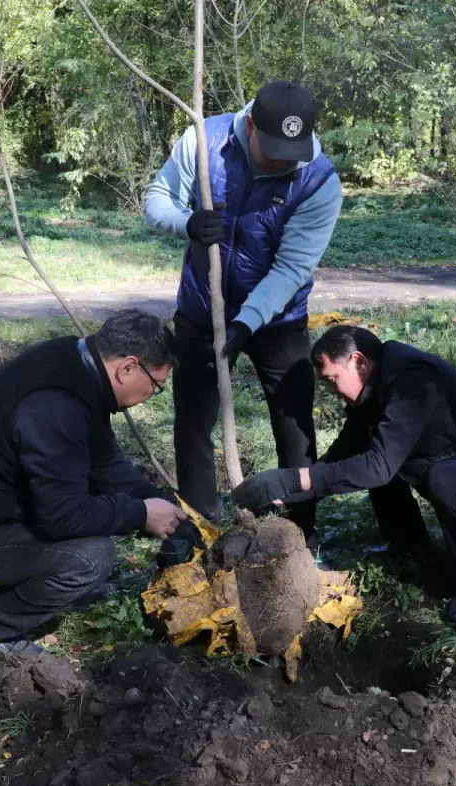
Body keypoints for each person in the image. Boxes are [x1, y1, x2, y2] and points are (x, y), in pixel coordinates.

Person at [0, 310, 188, 655]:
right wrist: (140, 514)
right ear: (127, 367)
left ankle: (44, 586)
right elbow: (63, 516)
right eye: (156, 387)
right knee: (90, 557)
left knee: (90, 525)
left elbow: (105, 461)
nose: (152, 395)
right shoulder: (55, 406)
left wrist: (160, 503)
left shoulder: (74, 362)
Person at [144, 80, 342, 563]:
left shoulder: (318, 179)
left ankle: (299, 535)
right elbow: (157, 198)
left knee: (293, 424)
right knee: (193, 422)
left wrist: (246, 323)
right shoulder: (204, 140)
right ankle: (198, 530)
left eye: (290, 154)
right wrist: (186, 222)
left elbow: (293, 267)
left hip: (278, 318)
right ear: (250, 124)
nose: (282, 163)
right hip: (200, 310)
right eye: (273, 151)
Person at [231, 325, 456, 621]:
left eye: (332, 379)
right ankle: (412, 549)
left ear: (358, 361)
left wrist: (291, 478)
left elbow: (378, 467)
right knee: (374, 457)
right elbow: (346, 453)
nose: (331, 389)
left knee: (437, 476)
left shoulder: (413, 380)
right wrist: (290, 493)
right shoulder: (376, 386)